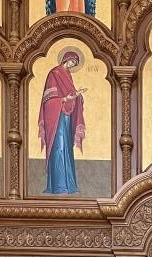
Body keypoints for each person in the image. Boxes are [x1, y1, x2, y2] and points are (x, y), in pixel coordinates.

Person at [38, 51, 87, 195]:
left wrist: (77, 96)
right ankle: (58, 186)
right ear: (66, 59)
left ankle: (69, 185)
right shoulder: (54, 73)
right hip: (56, 117)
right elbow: (48, 99)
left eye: (75, 64)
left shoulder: (68, 75)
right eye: (72, 62)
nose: (72, 65)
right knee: (59, 147)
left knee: (67, 148)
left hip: (66, 117)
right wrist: (64, 99)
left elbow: (70, 95)